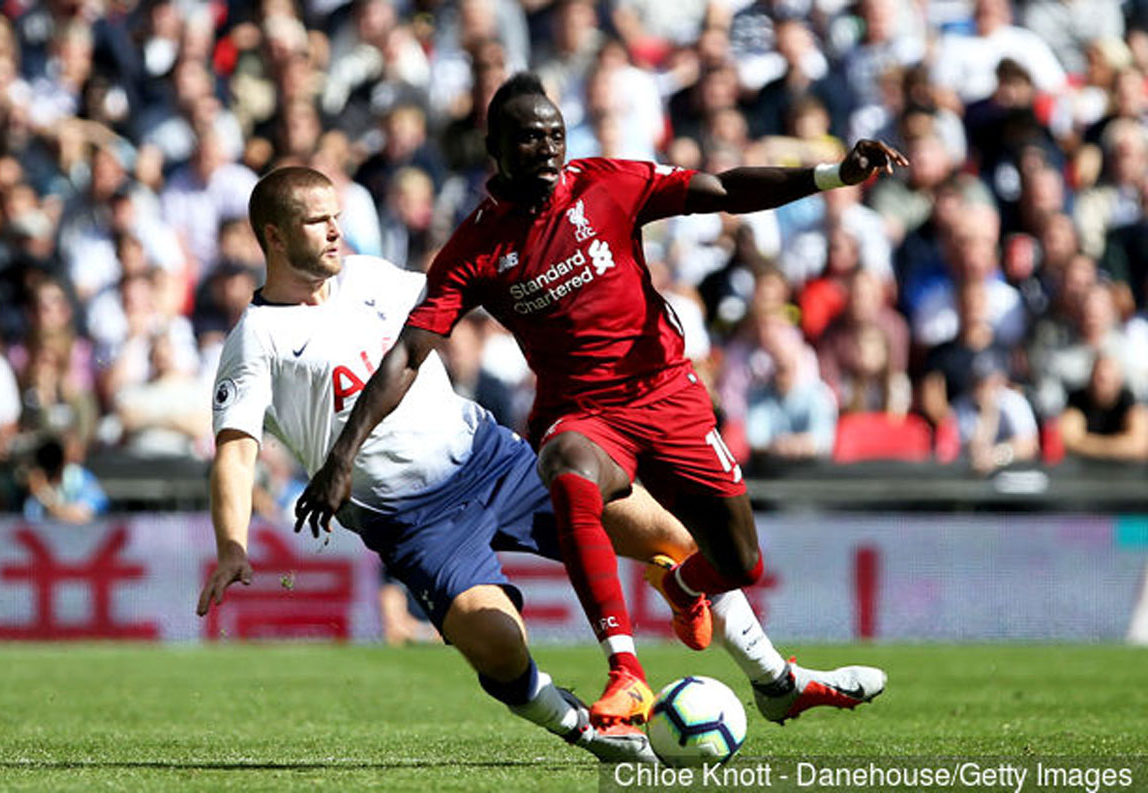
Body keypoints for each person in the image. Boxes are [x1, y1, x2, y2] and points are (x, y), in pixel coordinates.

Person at [296, 73, 899, 725]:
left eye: (556, 133)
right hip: (581, 414)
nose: (549, 148)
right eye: (530, 137)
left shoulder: (606, 183)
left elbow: (722, 190)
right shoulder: (475, 247)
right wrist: (341, 458)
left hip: (668, 391)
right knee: (566, 466)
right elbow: (408, 355)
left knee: (740, 562)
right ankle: (627, 672)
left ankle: (687, 586)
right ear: (495, 145)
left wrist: (834, 174)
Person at [196, 165, 667, 764]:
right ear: (276, 237)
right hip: (415, 521)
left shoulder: (372, 276)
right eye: (318, 222)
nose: (336, 231)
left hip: (490, 459)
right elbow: (236, 451)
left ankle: (769, 672)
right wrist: (232, 546)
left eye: (337, 217)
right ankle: (583, 726)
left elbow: (463, 292)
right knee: (494, 640)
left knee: (667, 536)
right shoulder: (256, 339)